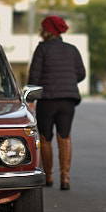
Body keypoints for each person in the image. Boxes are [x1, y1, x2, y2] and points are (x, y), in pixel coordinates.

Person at [28, 15, 86, 190]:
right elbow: (81, 73)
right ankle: (65, 178)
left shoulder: (42, 49)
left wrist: (30, 99)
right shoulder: (72, 49)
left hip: (48, 100)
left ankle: (49, 177)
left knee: (45, 138)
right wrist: (67, 81)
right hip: (68, 100)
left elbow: (34, 76)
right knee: (65, 136)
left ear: (46, 31)